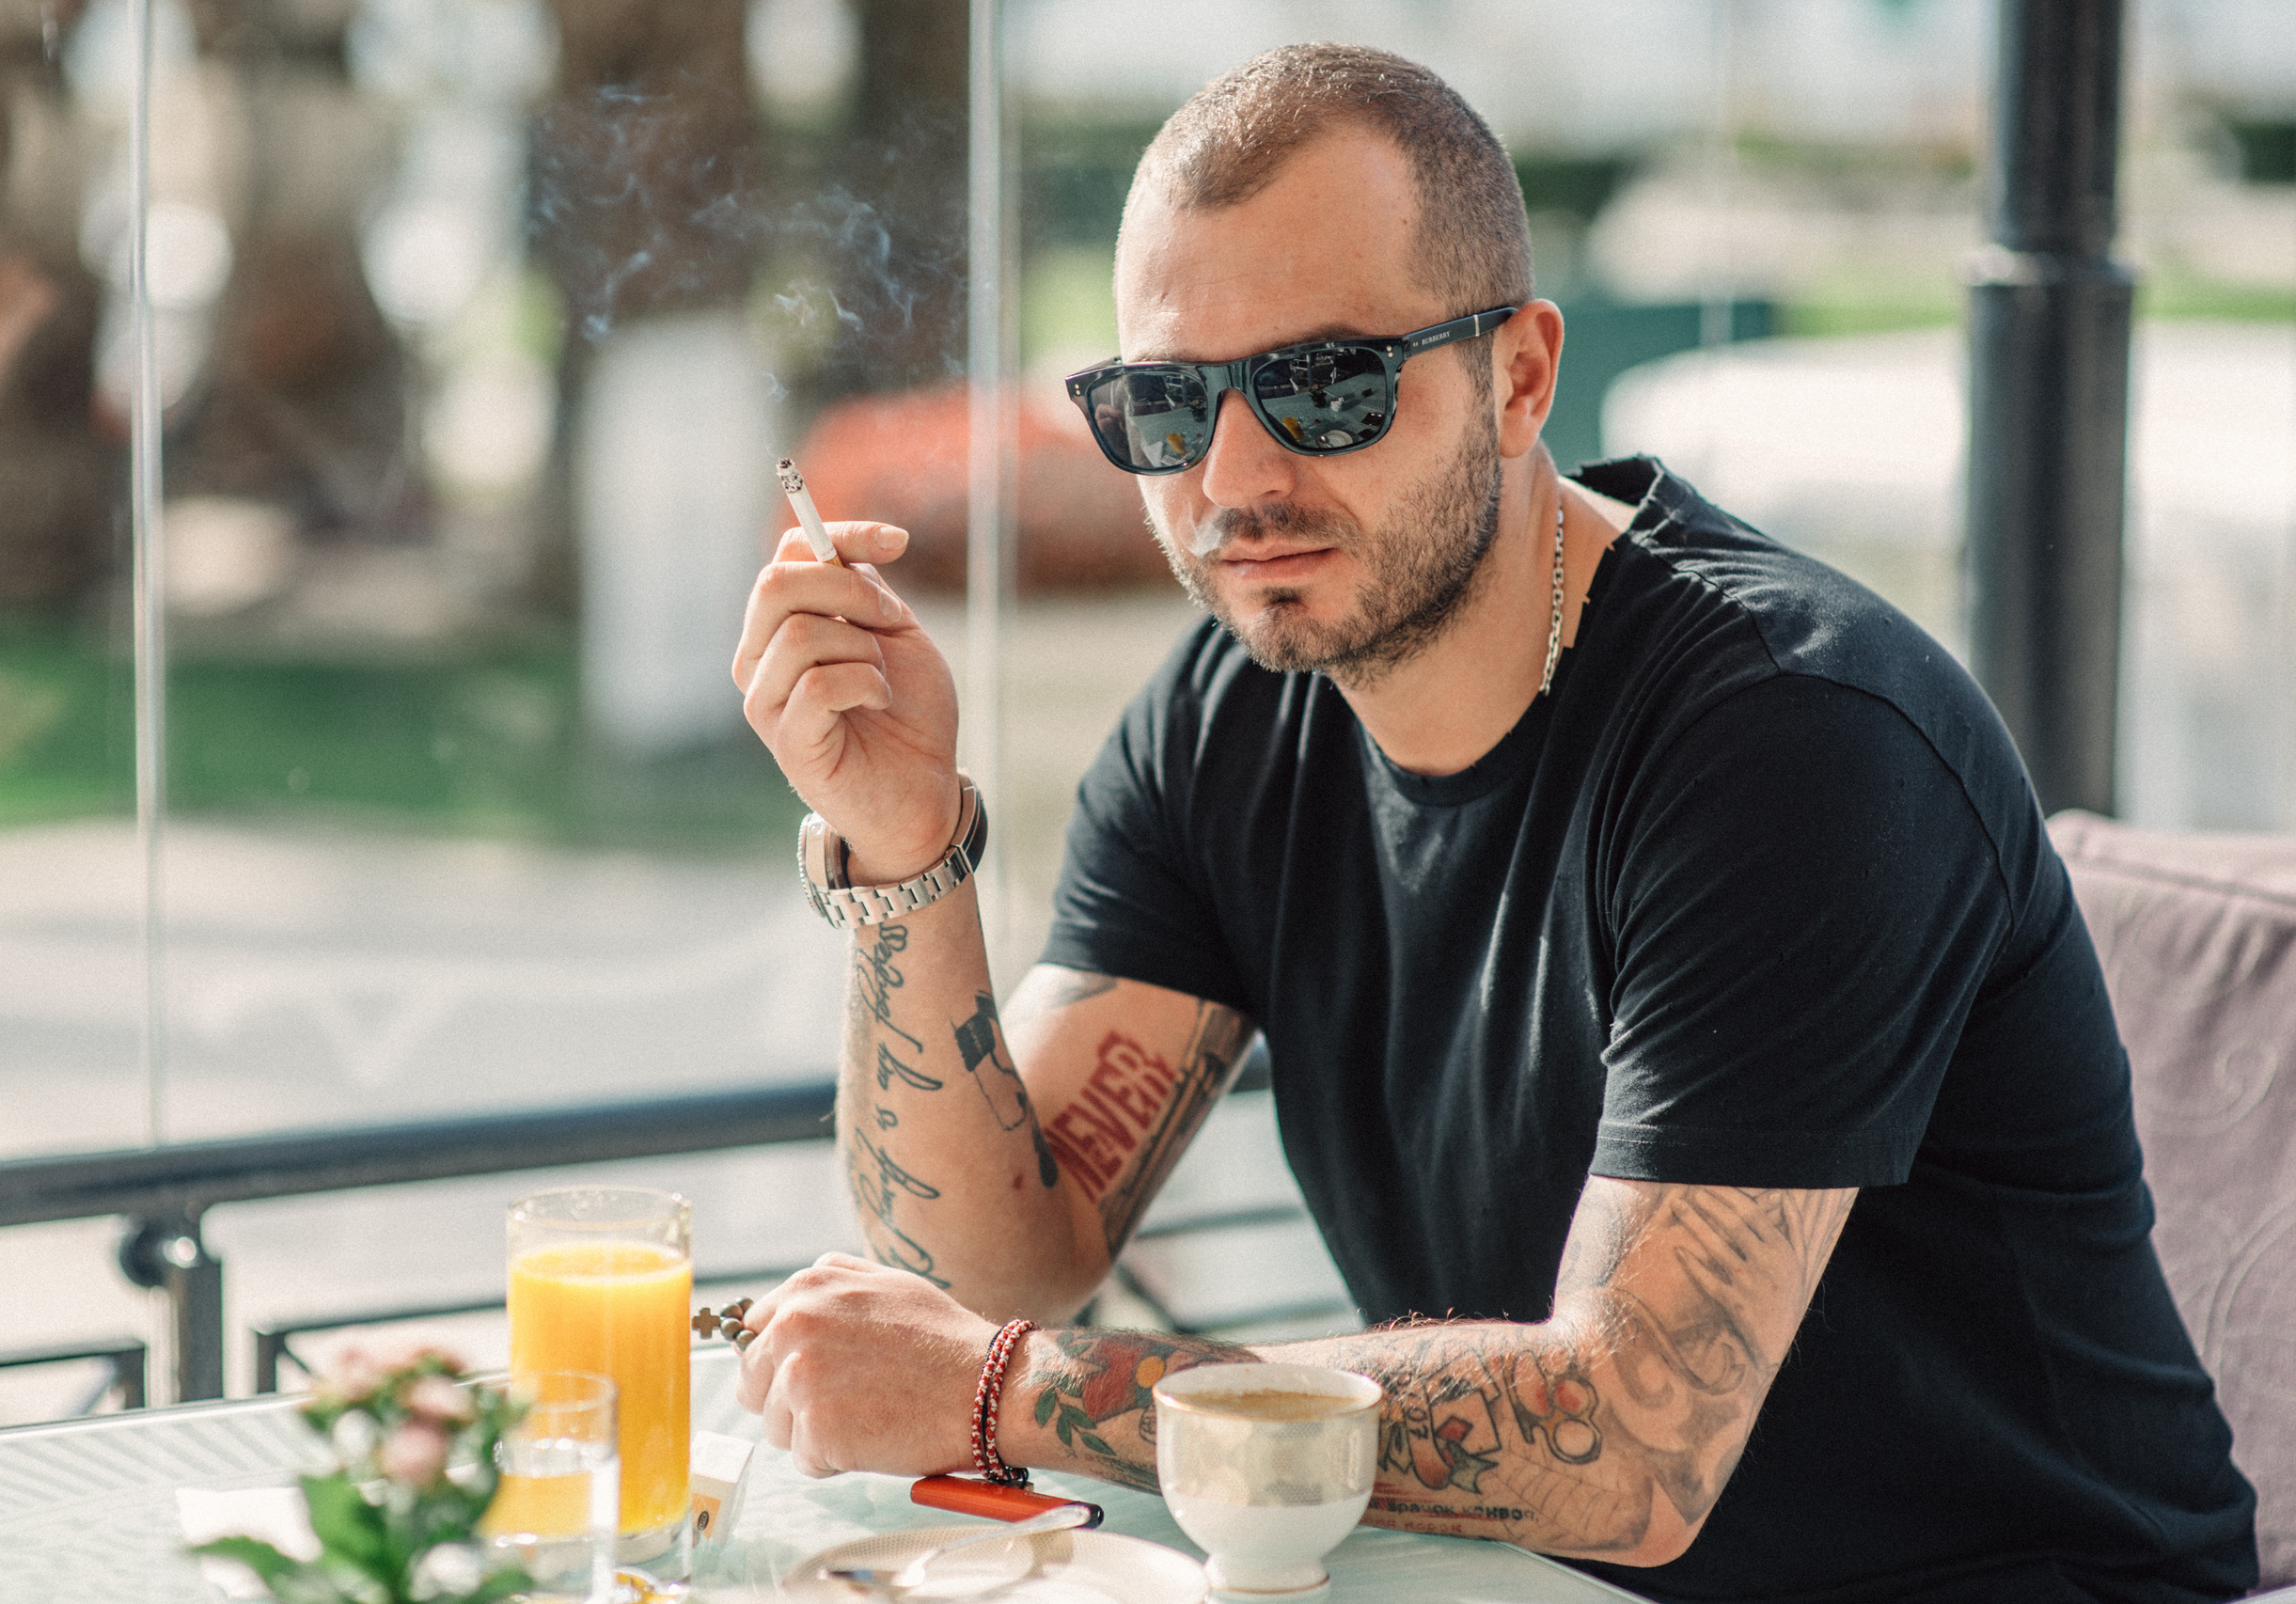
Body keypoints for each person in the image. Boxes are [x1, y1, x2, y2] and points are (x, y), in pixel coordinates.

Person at [728, 42, 2258, 1604]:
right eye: (1168, 405)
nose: (1236, 476)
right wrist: (903, 845)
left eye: (1327, 385)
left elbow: (1627, 1441)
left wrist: (1006, 1390)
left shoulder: (1792, 735)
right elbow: (1002, 1257)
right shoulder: (1226, 718)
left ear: (1520, 378)